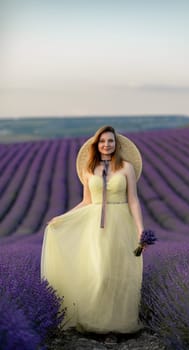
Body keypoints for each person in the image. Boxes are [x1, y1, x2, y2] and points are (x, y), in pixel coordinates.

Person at [40, 125, 146, 335]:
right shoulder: (89, 170)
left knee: (118, 274)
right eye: (102, 141)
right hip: (94, 227)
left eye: (110, 141)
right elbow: (86, 201)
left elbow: (133, 200)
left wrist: (140, 230)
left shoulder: (126, 168)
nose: (107, 145)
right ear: (96, 145)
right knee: (99, 273)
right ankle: (95, 321)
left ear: (116, 145)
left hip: (121, 224)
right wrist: (62, 218)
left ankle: (116, 326)